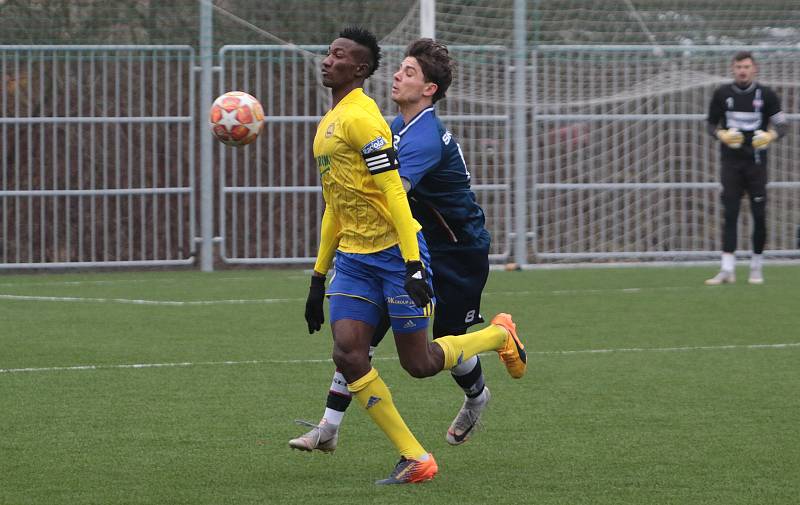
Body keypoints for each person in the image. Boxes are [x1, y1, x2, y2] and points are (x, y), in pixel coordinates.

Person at [298, 27, 526, 485]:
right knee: (353, 345)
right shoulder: (392, 126)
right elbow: (349, 200)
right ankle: (333, 427)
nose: (396, 77)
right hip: (392, 248)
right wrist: (319, 274)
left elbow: (391, 197)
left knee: (426, 355)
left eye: (408, 71)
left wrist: (411, 264)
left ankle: (494, 349)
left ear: (429, 89)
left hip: (454, 250)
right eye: (398, 68)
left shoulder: (419, 137)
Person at [705, 51, 787, 285]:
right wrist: (721, 134)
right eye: (739, 66)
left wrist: (770, 135)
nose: (742, 70)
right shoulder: (722, 94)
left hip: (757, 164)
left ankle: (756, 267)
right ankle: (727, 270)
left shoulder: (767, 94)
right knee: (730, 212)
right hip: (731, 163)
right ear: (733, 69)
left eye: (747, 66)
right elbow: (710, 124)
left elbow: (783, 125)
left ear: (754, 69)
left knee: (759, 215)